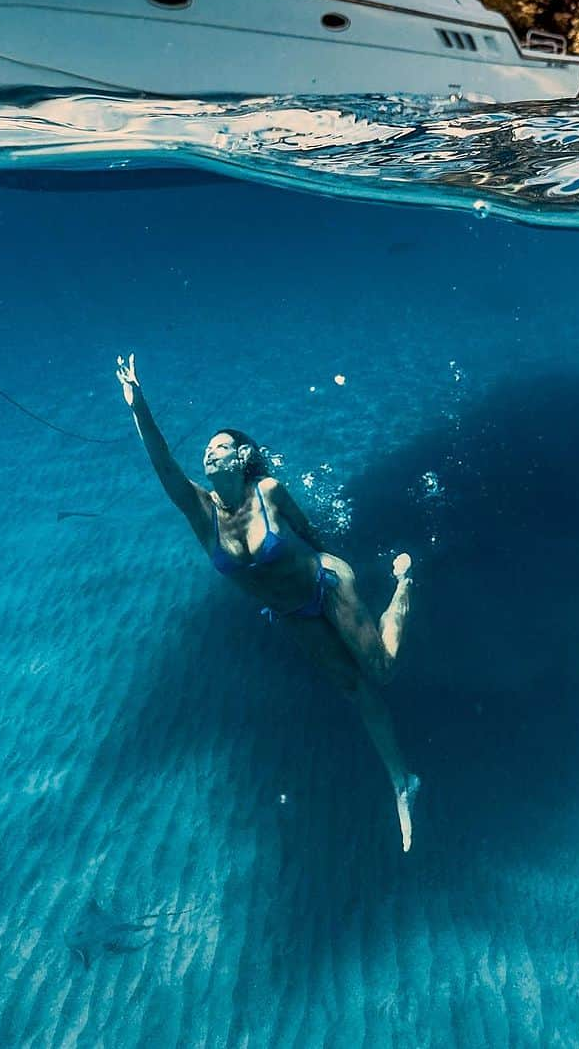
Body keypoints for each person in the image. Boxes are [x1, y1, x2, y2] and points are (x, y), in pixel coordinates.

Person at [116, 353, 420, 851]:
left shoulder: (270, 491)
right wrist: (137, 404)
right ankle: (402, 783)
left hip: (325, 584)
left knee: (382, 669)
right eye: (208, 448)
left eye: (221, 446)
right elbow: (162, 463)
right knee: (356, 692)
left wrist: (340, 568)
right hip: (293, 614)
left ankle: (403, 582)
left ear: (241, 459)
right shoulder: (200, 511)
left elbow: (308, 533)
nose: (210, 452)